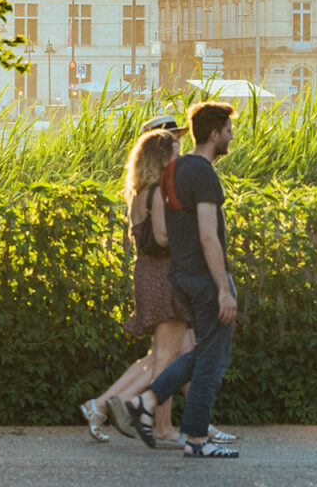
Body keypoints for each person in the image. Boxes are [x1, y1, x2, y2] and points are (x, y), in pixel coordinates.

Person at [79, 115, 237, 448]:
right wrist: (194, 235)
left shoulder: (139, 190)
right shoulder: (157, 191)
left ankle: (176, 423)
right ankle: (122, 409)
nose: (180, 151)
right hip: (163, 274)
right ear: (160, 152)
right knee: (166, 358)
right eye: (174, 144)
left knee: (175, 354)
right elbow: (164, 237)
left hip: (150, 272)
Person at [125, 102, 240, 459]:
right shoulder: (204, 174)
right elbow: (209, 236)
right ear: (213, 134)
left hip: (181, 277)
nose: (231, 136)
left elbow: (170, 232)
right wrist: (223, 288)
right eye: (228, 130)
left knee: (202, 350)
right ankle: (195, 440)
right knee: (212, 359)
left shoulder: (173, 170)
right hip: (206, 279)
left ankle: (145, 400)